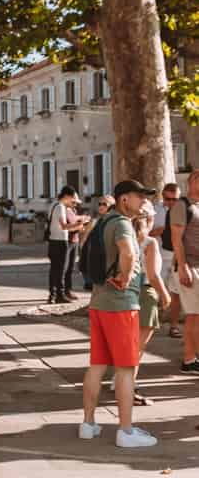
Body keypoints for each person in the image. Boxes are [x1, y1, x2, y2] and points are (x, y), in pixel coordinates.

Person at [80, 179, 158, 447]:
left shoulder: (102, 221)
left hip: (99, 302)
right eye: (140, 197)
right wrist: (126, 277)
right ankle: (126, 431)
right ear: (125, 199)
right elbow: (127, 252)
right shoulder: (123, 224)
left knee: (97, 365)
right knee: (125, 368)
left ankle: (88, 424)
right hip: (122, 305)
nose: (143, 202)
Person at [132, 204, 171, 406]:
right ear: (149, 220)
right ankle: (129, 388)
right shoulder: (150, 242)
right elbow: (154, 275)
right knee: (137, 347)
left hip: (125, 294)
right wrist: (165, 295)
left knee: (127, 344)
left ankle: (121, 383)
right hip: (145, 293)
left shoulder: (124, 239)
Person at [171, 170, 199, 374]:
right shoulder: (183, 205)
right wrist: (182, 267)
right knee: (195, 315)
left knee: (195, 316)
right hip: (189, 267)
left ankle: (189, 359)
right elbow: (176, 238)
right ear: (191, 181)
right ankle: (191, 358)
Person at [151, 183, 184, 338]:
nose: (170, 202)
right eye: (167, 198)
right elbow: (142, 233)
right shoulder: (154, 210)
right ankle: (149, 324)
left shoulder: (185, 210)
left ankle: (174, 326)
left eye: (174, 199)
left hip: (177, 257)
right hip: (158, 257)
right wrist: (156, 232)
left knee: (176, 294)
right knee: (153, 292)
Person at [46, 186, 88, 303]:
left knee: (55, 269)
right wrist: (79, 226)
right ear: (67, 197)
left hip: (53, 240)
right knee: (61, 269)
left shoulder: (54, 205)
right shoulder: (60, 207)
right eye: (73, 200)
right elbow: (64, 226)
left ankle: (53, 295)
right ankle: (59, 295)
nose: (73, 202)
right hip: (59, 241)